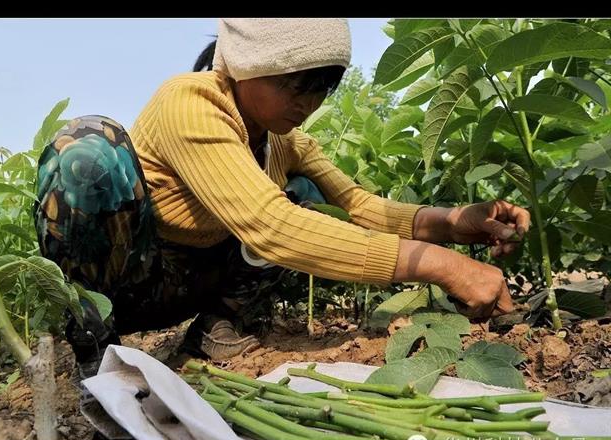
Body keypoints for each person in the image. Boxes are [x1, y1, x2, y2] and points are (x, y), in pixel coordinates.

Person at [34, 18, 530, 379]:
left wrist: (456, 221)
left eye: (318, 91)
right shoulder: (189, 101)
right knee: (87, 150)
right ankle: (94, 343)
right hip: (129, 282)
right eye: (293, 85)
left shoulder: (283, 139)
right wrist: (445, 266)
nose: (306, 104)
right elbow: (270, 225)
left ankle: (220, 324)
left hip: (197, 281)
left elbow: (360, 206)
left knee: (311, 196)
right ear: (247, 66)